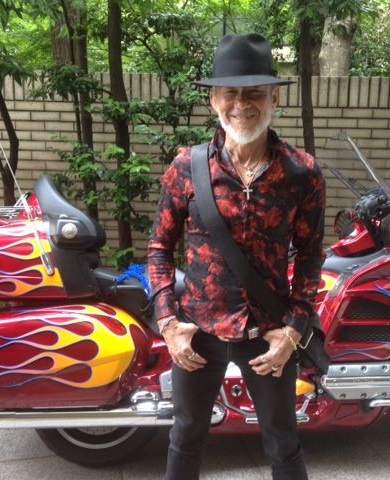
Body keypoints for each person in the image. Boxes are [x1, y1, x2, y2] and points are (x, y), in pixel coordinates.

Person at [147, 33, 326, 480]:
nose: (241, 104)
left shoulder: (302, 173)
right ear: (214, 100)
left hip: (268, 332)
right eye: (230, 93)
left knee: (283, 440)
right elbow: (159, 249)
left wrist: (293, 330)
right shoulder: (186, 168)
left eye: (255, 93)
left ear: (274, 98)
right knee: (185, 436)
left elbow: (309, 259)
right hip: (197, 330)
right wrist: (168, 324)